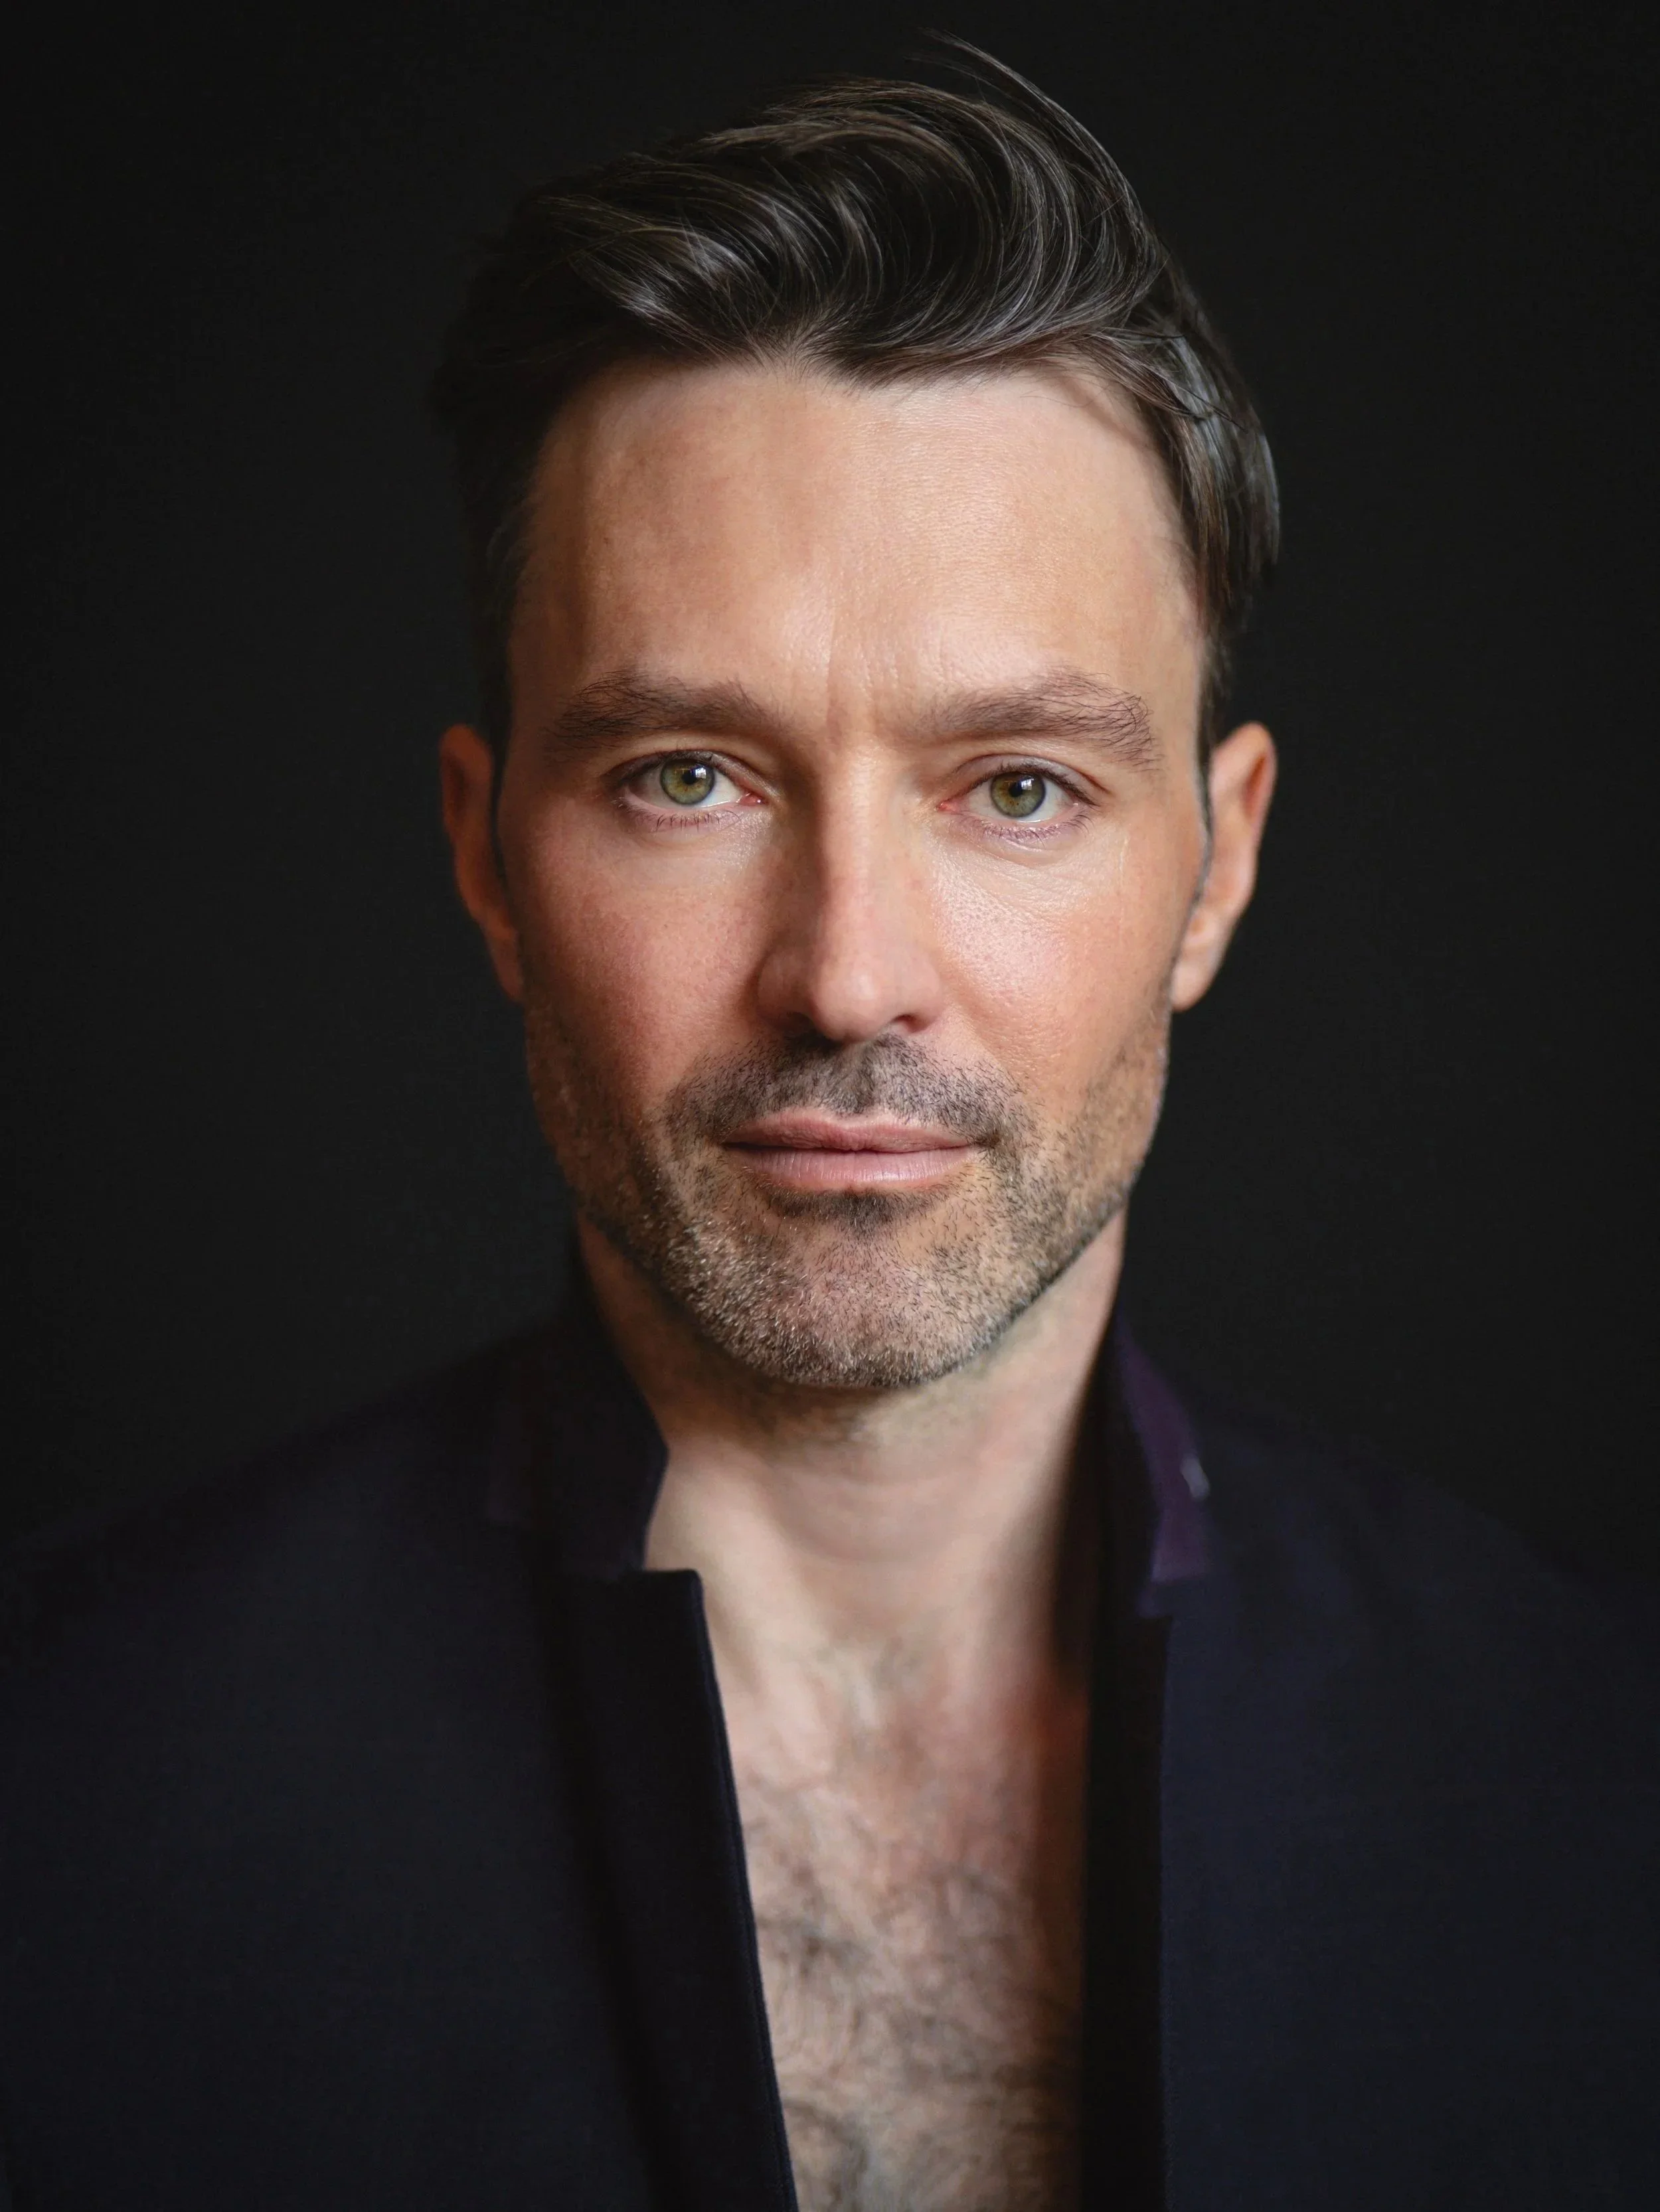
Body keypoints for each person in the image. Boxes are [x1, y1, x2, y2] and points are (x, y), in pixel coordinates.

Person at [1, 54, 1654, 2212]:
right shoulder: (54, 1793)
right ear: (487, 857)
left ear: (1217, 866)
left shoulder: (1600, 1788)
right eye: (690, 773)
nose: (848, 971)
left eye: (1018, 786)